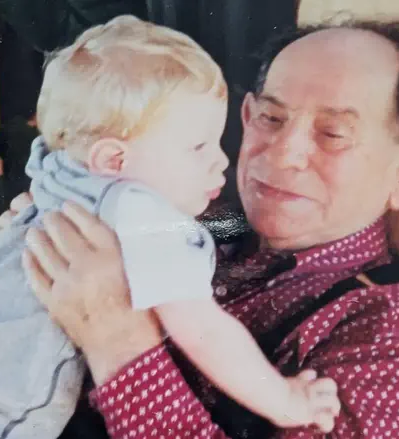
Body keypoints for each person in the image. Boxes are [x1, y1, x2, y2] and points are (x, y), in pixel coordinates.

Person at [13, 20, 399, 438]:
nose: (281, 154)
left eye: (332, 134)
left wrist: (118, 338)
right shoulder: (193, 218)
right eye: (271, 119)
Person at [24, 14, 340, 432]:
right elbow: (201, 328)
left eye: (334, 133)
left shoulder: (397, 328)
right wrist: (287, 400)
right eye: (198, 146)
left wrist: (118, 337)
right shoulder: (145, 211)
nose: (222, 161)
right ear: (113, 160)